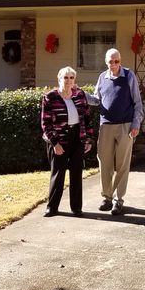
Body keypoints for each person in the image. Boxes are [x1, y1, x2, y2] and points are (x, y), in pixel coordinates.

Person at [91, 48, 144, 215]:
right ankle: (106, 197)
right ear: (106, 62)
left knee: (122, 164)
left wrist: (136, 124)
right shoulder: (102, 77)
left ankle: (118, 200)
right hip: (105, 125)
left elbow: (138, 103)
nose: (114, 64)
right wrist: (79, 94)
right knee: (104, 162)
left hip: (125, 126)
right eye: (110, 62)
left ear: (120, 61)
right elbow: (96, 99)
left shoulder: (129, 76)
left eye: (117, 61)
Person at [40, 66, 94, 217]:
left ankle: (76, 208)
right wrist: (55, 143)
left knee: (76, 173)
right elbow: (46, 123)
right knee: (58, 174)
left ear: (74, 80)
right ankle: (52, 207)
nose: (68, 80)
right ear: (59, 79)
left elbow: (87, 119)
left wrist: (88, 139)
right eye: (65, 77)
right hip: (58, 140)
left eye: (71, 77)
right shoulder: (50, 97)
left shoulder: (80, 95)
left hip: (77, 137)